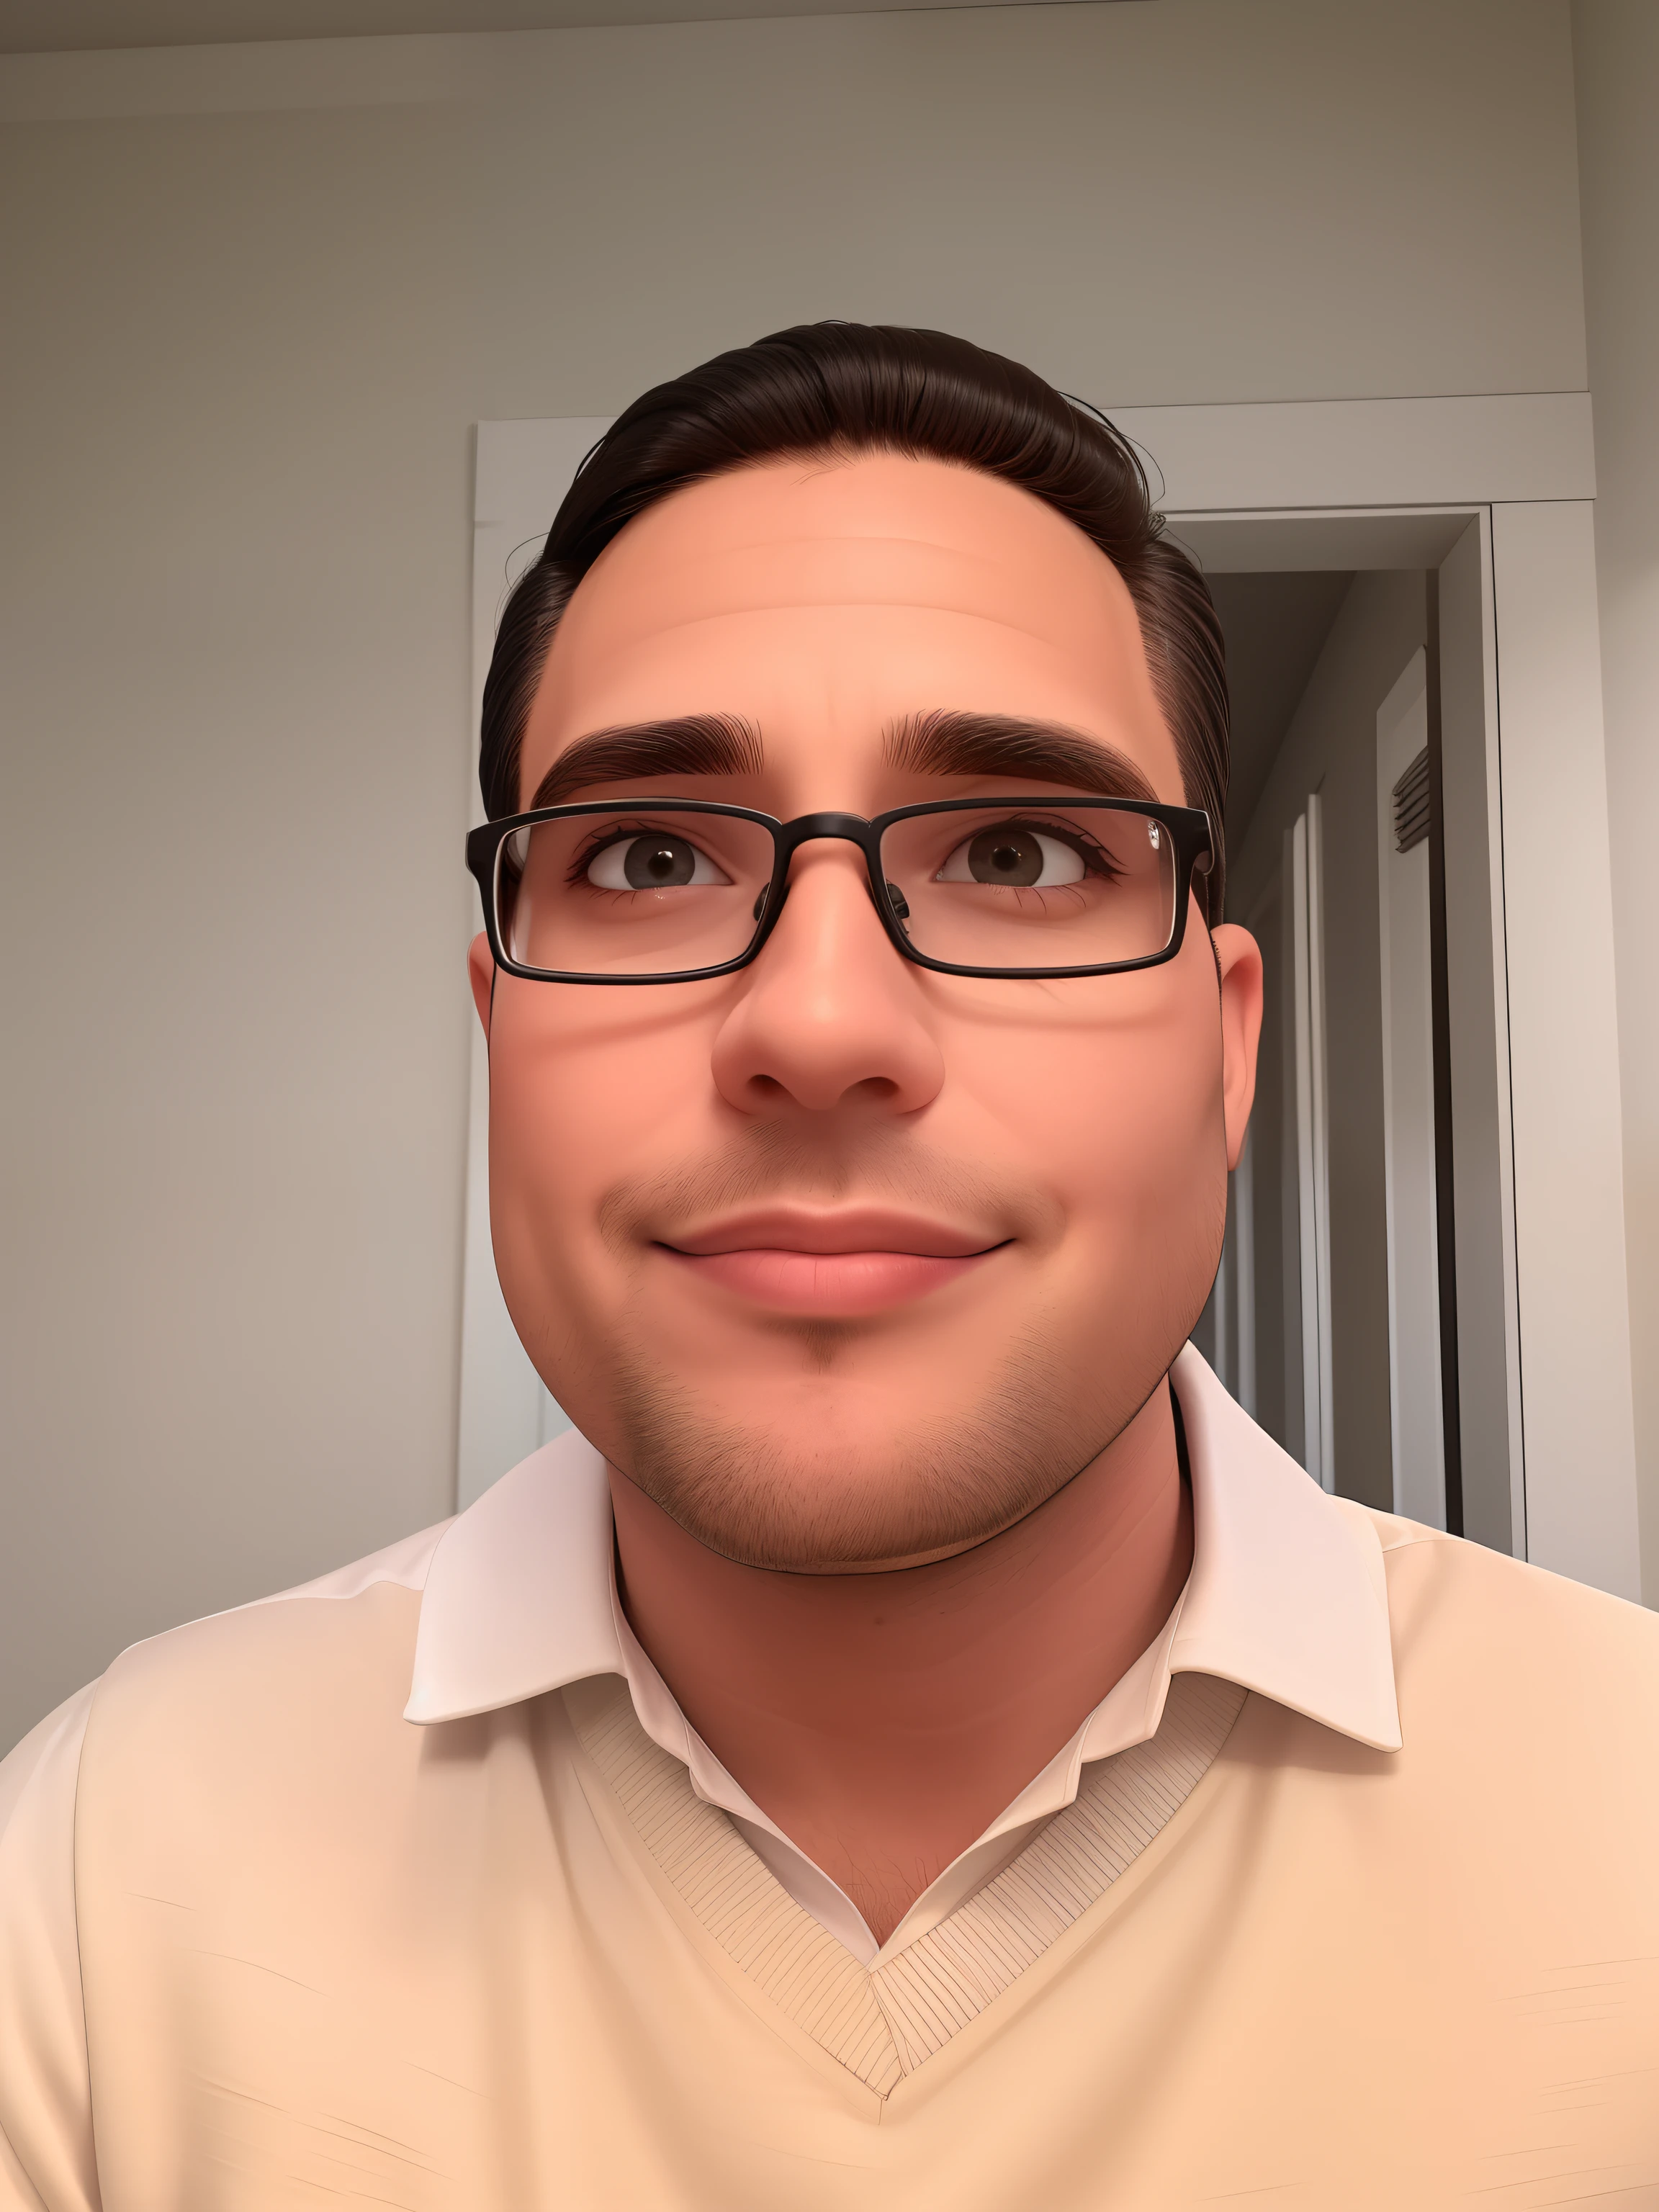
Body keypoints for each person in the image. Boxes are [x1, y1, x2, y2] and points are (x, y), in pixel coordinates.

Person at [3, 323, 1656, 2210]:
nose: (816, 1015)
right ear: (498, 1034)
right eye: (643, 860)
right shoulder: (103, 1883)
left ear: (1223, 1040)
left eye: (1022, 851)